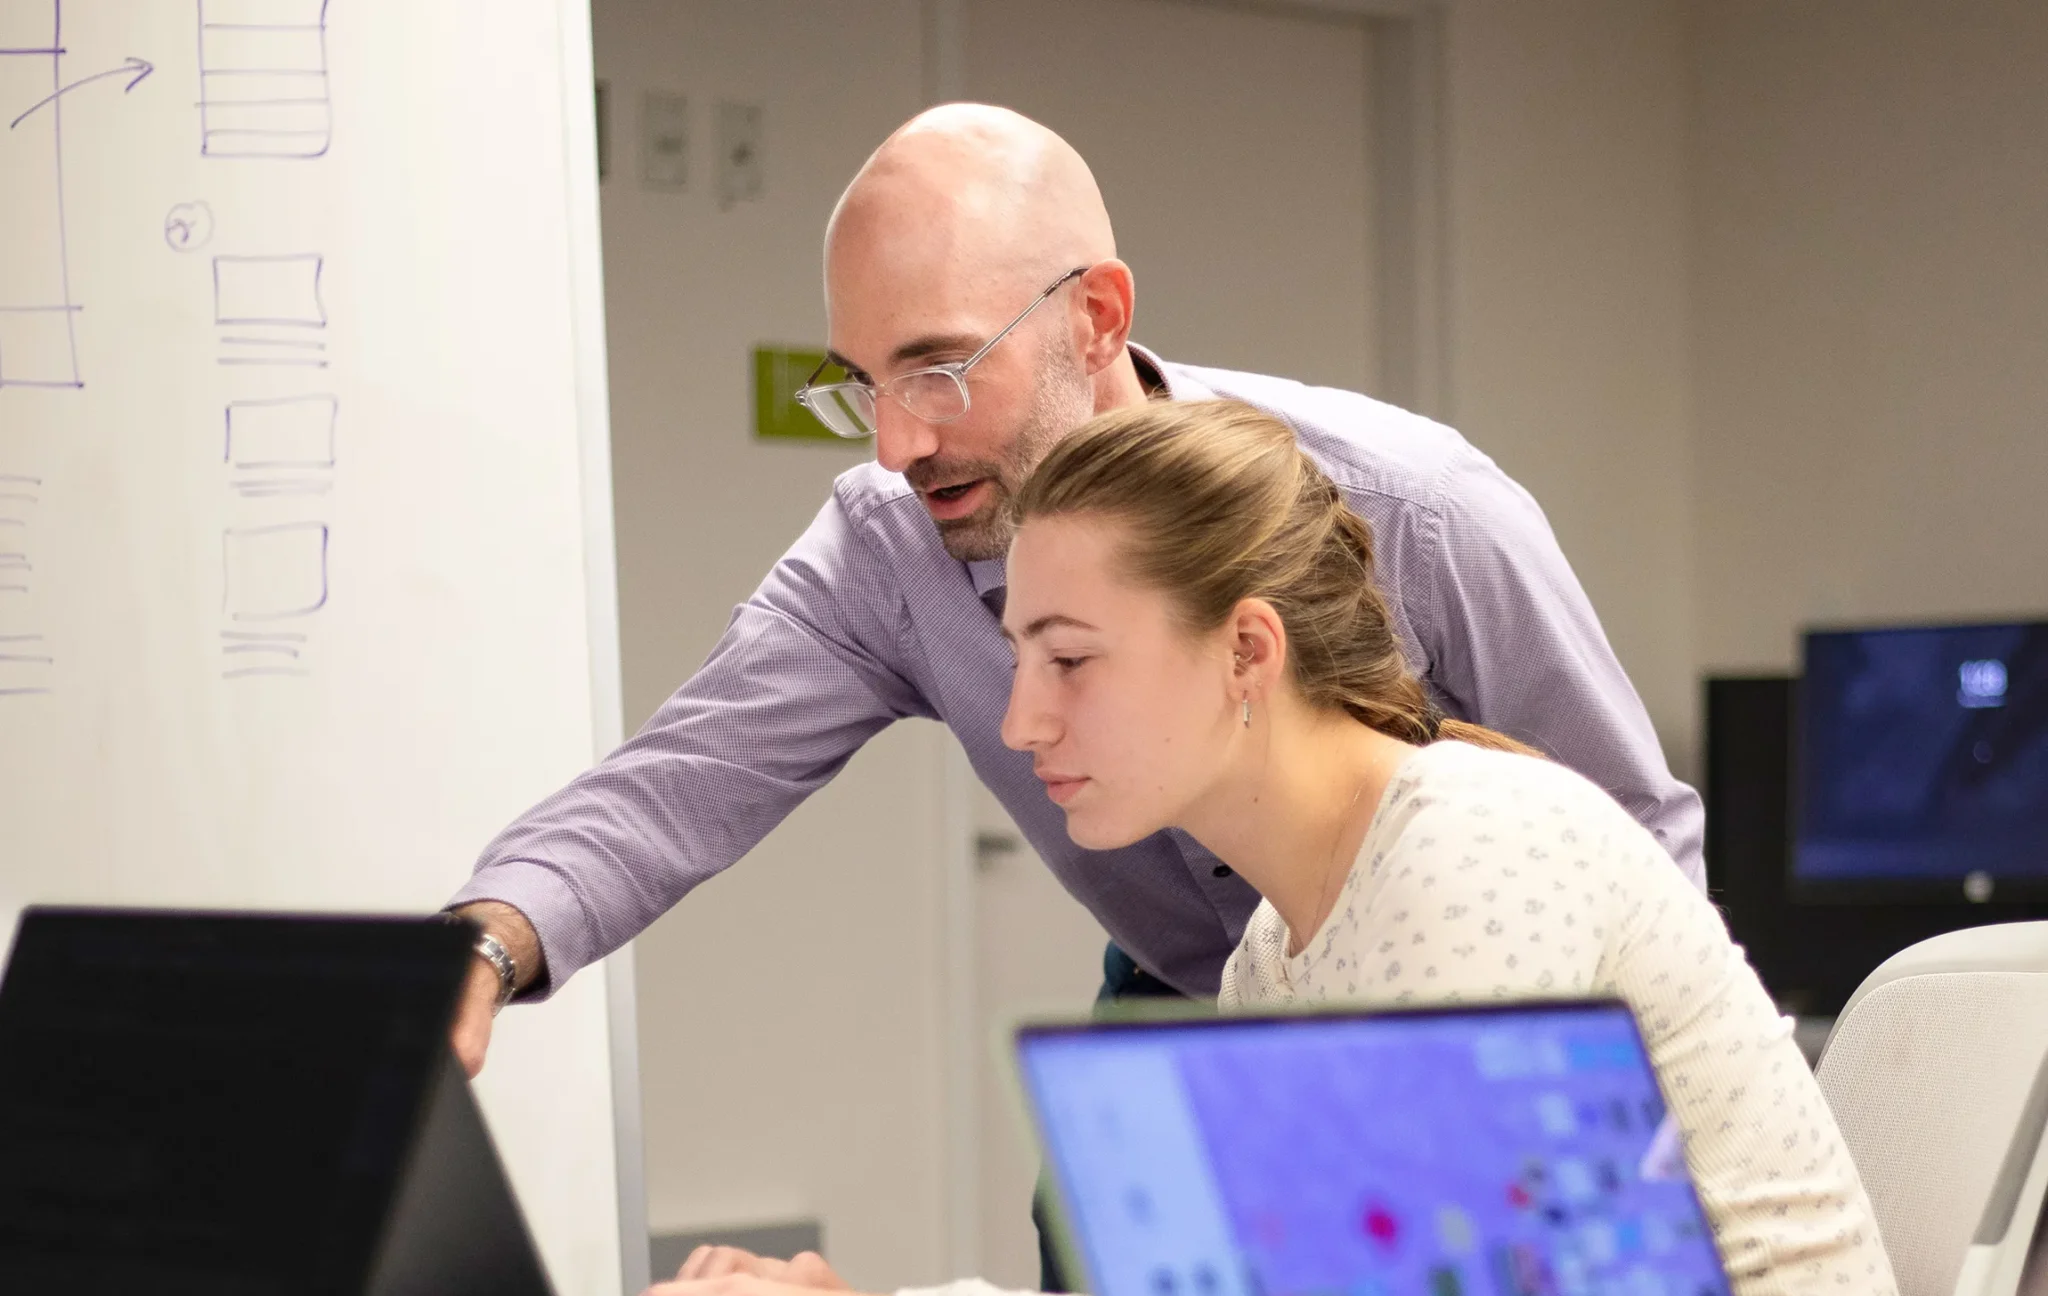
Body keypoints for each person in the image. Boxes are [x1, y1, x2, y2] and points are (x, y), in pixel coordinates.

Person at [588, 401, 1907, 1296]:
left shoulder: (1467, 852)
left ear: (1246, 651)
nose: (1022, 721)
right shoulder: (1282, 938)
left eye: (1071, 660)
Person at [443, 101, 1701, 1072]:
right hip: (1195, 1005)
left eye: (938, 368)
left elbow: (1632, 852)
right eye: (860, 383)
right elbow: (681, 780)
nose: (894, 444)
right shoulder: (891, 543)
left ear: (1095, 317)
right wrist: (487, 942)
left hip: (1476, 1021)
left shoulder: (1417, 508)